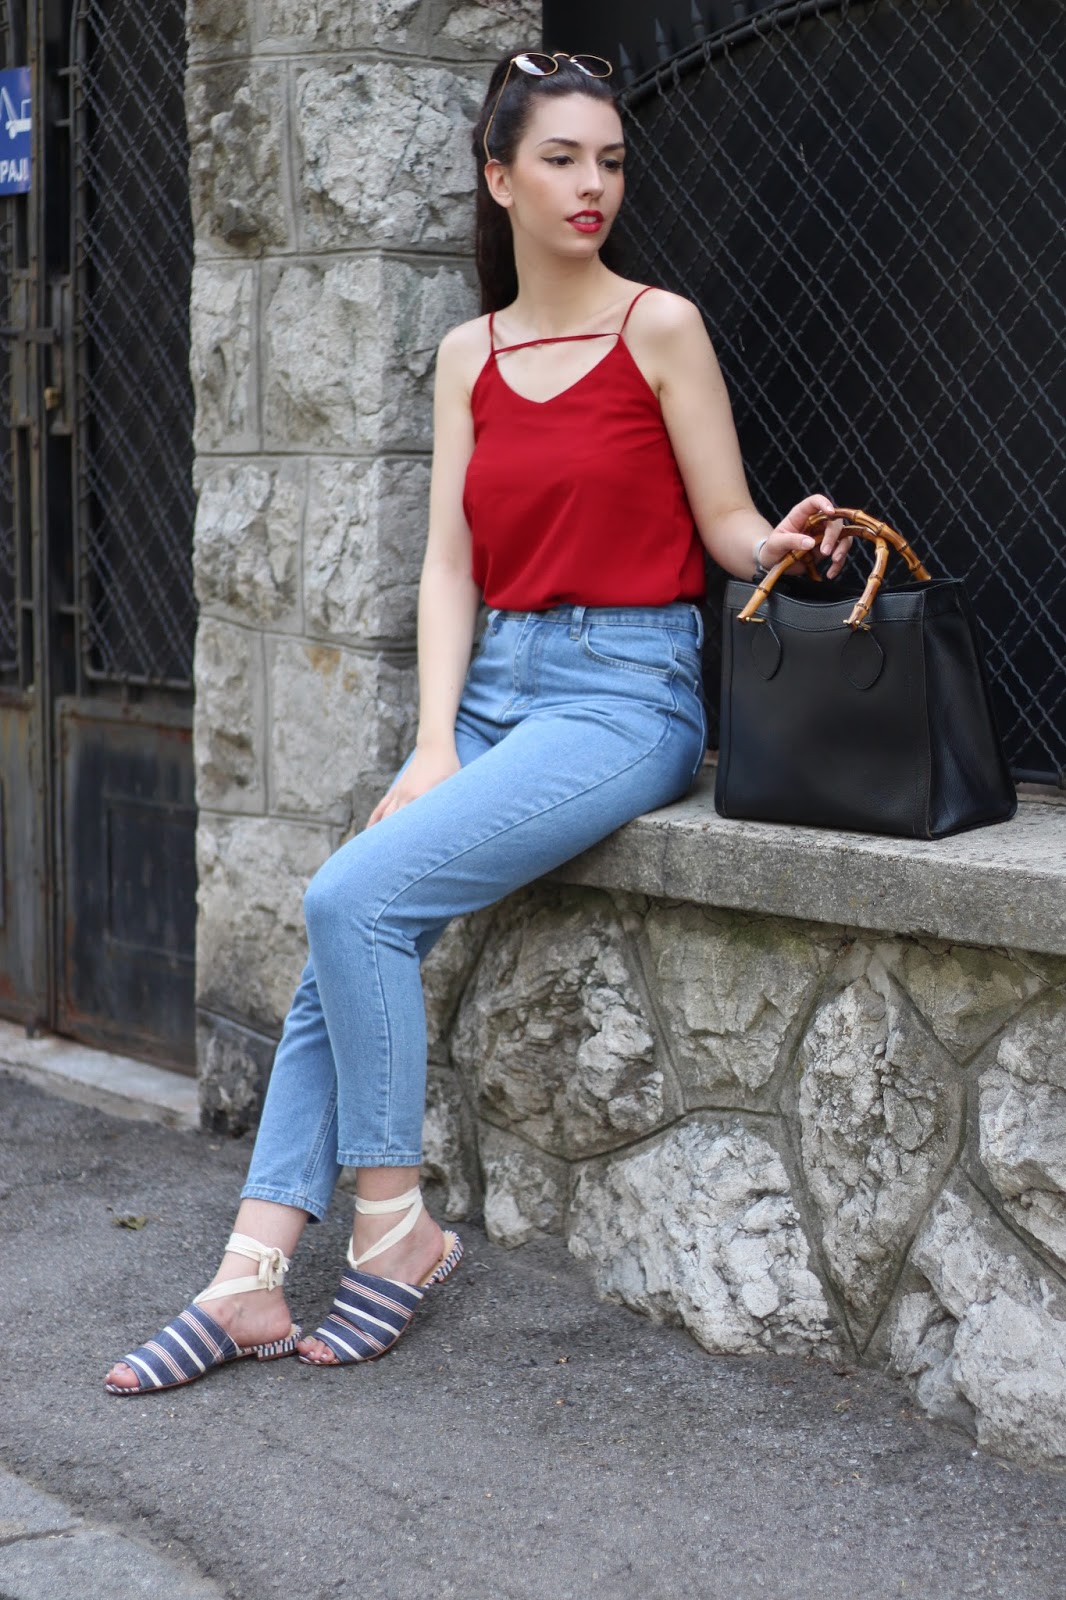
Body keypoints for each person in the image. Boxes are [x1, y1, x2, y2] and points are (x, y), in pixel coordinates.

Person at [105, 49, 849, 1393]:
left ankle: (393, 1230)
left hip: (624, 694)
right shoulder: (471, 353)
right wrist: (436, 738)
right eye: (560, 159)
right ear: (500, 178)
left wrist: (777, 546)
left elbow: (726, 520)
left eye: (609, 160)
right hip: (496, 688)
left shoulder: (659, 327)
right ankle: (248, 1274)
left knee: (351, 899)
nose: (591, 184)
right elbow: (449, 565)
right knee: (348, 926)